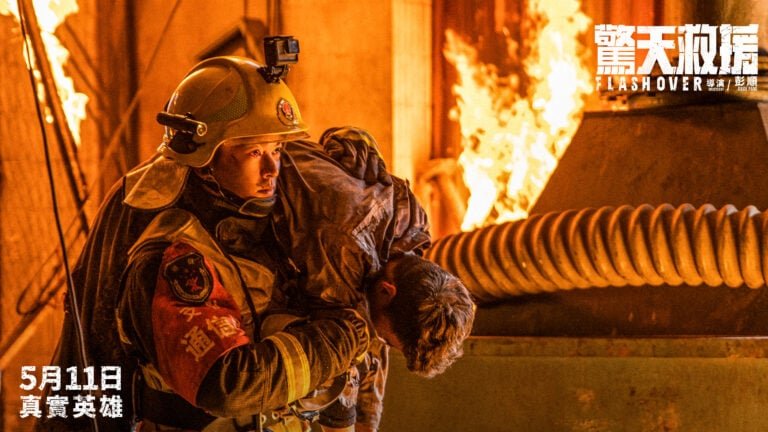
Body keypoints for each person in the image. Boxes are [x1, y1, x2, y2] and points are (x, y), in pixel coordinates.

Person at [36, 56, 371, 432]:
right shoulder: (174, 254)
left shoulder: (256, 212)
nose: (272, 170)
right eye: (254, 152)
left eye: (277, 149)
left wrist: (347, 167)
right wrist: (344, 337)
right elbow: (226, 383)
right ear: (204, 159)